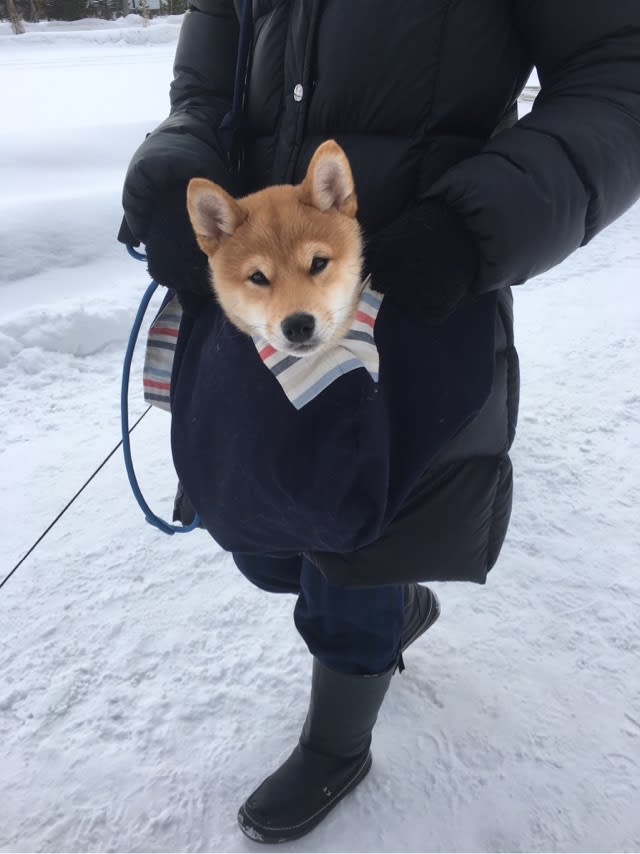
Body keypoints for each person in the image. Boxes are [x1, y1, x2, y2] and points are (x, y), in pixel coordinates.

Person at [119, 1, 640, 843]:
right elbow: (205, 87)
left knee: (363, 543)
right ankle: (390, 612)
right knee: (259, 529)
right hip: (260, 293)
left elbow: (621, 76)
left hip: (418, 277)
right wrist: (176, 159)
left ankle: (339, 738)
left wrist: (475, 221)